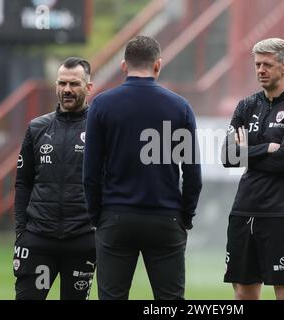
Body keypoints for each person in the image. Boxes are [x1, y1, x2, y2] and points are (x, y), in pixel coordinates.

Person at [83, 35, 202, 300]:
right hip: (165, 216)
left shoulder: (102, 104)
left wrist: (97, 217)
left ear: (124, 66)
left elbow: (90, 173)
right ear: (158, 65)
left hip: (116, 215)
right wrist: (185, 216)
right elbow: (193, 173)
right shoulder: (180, 107)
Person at [221, 38, 284, 300]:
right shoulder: (246, 106)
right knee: (243, 293)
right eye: (257, 65)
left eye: (267, 64)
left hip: (282, 212)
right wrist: (266, 148)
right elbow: (228, 156)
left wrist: (247, 153)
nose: (260, 70)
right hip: (243, 210)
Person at [13, 57, 96, 300]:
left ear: (88, 87)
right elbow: (22, 182)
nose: (67, 90)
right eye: (62, 83)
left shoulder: (99, 130)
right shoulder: (37, 128)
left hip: (82, 241)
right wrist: (21, 231)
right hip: (37, 239)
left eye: (74, 84)